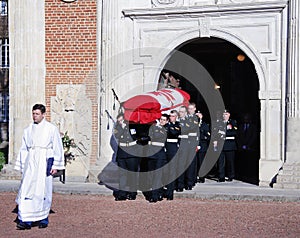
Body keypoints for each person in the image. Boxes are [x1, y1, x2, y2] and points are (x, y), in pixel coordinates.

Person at [14, 104, 64, 230]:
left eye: (37, 114)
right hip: (31, 162)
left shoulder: (51, 129)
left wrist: (55, 165)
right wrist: (22, 165)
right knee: (27, 188)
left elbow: (57, 147)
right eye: (33, 114)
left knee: (43, 189)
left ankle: (43, 218)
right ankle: (26, 219)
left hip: (44, 160)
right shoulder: (28, 129)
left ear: (43, 114)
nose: (34, 116)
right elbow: (24, 148)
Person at [113, 114, 140, 201]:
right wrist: (123, 127)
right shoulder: (117, 128)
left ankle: (132, 193)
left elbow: (135, 136)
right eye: (119, 121)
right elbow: (117, 136)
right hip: (122, 152)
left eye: (122, 120)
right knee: (122, 174)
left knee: (132, 174)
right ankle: (122, 194)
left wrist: (126, 127)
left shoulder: (132, 126)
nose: (120, 122)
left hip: (132, 152)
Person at [146, 114, 168, 203]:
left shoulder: (166, 129)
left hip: (160, 154)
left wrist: (158, 128)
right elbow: (151, 136)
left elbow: (159, 136)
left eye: (164, 120)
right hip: (152, 153)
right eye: (161, 119)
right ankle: (158, 192)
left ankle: (154, 196)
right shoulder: (153, 127)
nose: (162, 121)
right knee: (151, 175)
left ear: (167, 121)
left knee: (158, 175)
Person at [214, 110, 238, 182]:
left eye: (226, 114)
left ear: (229, 115)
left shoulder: (233, 122)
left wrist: (223, 131)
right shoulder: (219, 123)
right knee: (221, 162)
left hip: (230, 144)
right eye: (224, 114)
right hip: (221, 144)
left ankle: (231, 175)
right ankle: (221, 176)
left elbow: (234, 132)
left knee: (230, 161)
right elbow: (216, 132)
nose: (224, 115)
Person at [164, 110, 181, 200]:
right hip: (166, 148)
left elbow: (175, 133)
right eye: (170, 116)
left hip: (173, 148)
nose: (171, 118)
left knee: (172, 171)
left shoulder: (179, 125)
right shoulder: (165, 126)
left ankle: (170, 192)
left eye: (173, 116)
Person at [186, 103, 200, 189]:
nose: (190, 110)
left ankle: (190, 182)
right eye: (189, 109)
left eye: (191, 109)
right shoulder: (185, 117)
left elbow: (198, 131)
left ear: (195, 109)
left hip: (193, 141)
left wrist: (198, 144)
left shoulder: (197, 118)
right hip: (186, 141)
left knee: (192, 163)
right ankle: (186, 181)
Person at [196, 112, 210, 183]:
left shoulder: (204, 125)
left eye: (199, 115)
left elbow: (207, 136)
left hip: (202, 145)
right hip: (194, 145)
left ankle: (201, 177)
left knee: (201, 162)